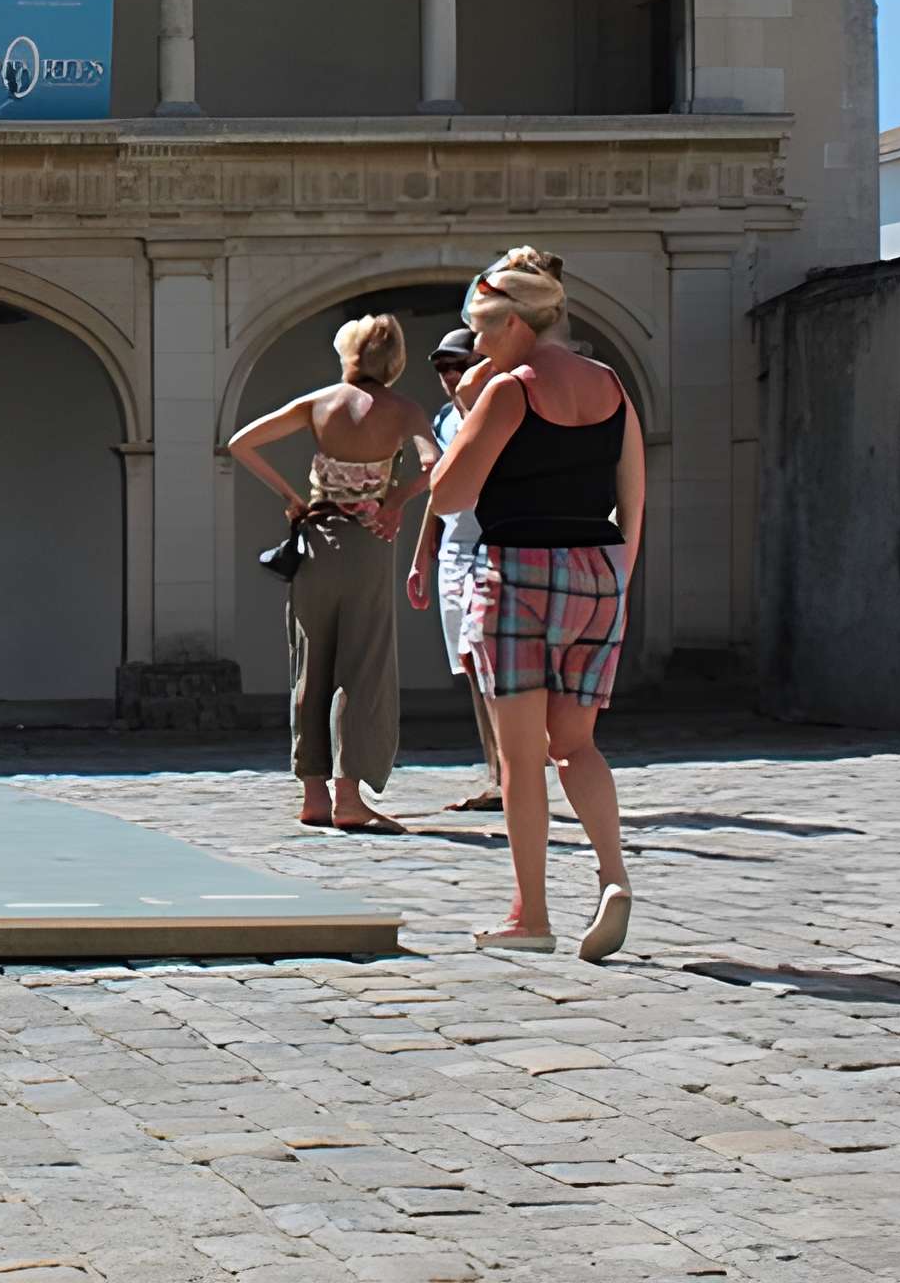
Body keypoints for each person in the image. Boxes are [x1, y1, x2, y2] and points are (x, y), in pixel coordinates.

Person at [419, 246, 645, 960]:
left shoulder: (508, 388)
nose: (477, 346)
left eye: (484, 330)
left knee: (521, 759)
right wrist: (620, 581)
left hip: (518, 572)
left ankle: (532, 914)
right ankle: (612, 875)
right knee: (574, 744)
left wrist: (469, 399)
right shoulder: (610, 383)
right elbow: (633, 492)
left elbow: (448, 492)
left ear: (517, 324)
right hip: (600, 570)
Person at [227, 311, 437, 832]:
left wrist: (293, 498)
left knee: (310, 664)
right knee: (361, 665)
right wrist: (396, 500)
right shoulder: (405, 410)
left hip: (315, 542)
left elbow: (241, 443)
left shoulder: (318, 403)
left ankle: (314, 794)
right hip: (368, 545)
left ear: (348, 355)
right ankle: (350, 796)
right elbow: (438, 466)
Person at [405, 325, 506, 813]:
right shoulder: (444, 419)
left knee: (491, 661)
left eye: (458, 365)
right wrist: (422, 553)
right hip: (455, 551)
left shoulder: (501, 412)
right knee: (470, 665)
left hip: (496, 543)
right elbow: (437, 491)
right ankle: (496, 774)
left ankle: (513, 775)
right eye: (442, 367)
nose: (448, 375)